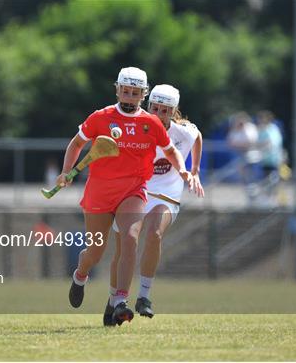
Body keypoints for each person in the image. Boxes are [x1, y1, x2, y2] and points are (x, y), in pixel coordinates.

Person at [57, 67, 194, 325]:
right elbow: (77, 144)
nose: (129, 97)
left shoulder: (151, 123)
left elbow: (171, 150)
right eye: (125, 91)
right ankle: (80, 274)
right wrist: (66, 172)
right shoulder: (100, 117)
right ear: (117, 89)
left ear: (143, 94)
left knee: (130, 238)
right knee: (95, 253)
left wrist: (184, 171)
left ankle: (120, 300)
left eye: (135, 93)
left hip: (133, 192)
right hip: (99, 193)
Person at [105, 84, 204, 325]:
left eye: (165, 110)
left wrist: (195, 170)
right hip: (135, 190)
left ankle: (144, 297)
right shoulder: (135, 127)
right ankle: (114, 301)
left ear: (174, 111)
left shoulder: (184, 132)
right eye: (155, 108)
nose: (159, 113)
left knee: (155, 234)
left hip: (167, 192)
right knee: (125, 246)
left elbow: (197, 137)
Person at [227, 112, 260, 206]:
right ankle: (249, 198)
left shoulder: (250, 128)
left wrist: (240, 144)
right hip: (240, 157)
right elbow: (230, 141)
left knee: (251, 178)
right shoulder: (235, 129)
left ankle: (253, 198)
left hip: (251, 157)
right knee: (244, 179)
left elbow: (250, 141)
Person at [255, 110, 283, 207]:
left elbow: (273, 143)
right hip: (264, 160)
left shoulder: (272, 129)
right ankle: (267, 199)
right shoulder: (261, 130)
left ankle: (273, 199)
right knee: (265, 180)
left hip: (274, 159)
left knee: (273, 180)